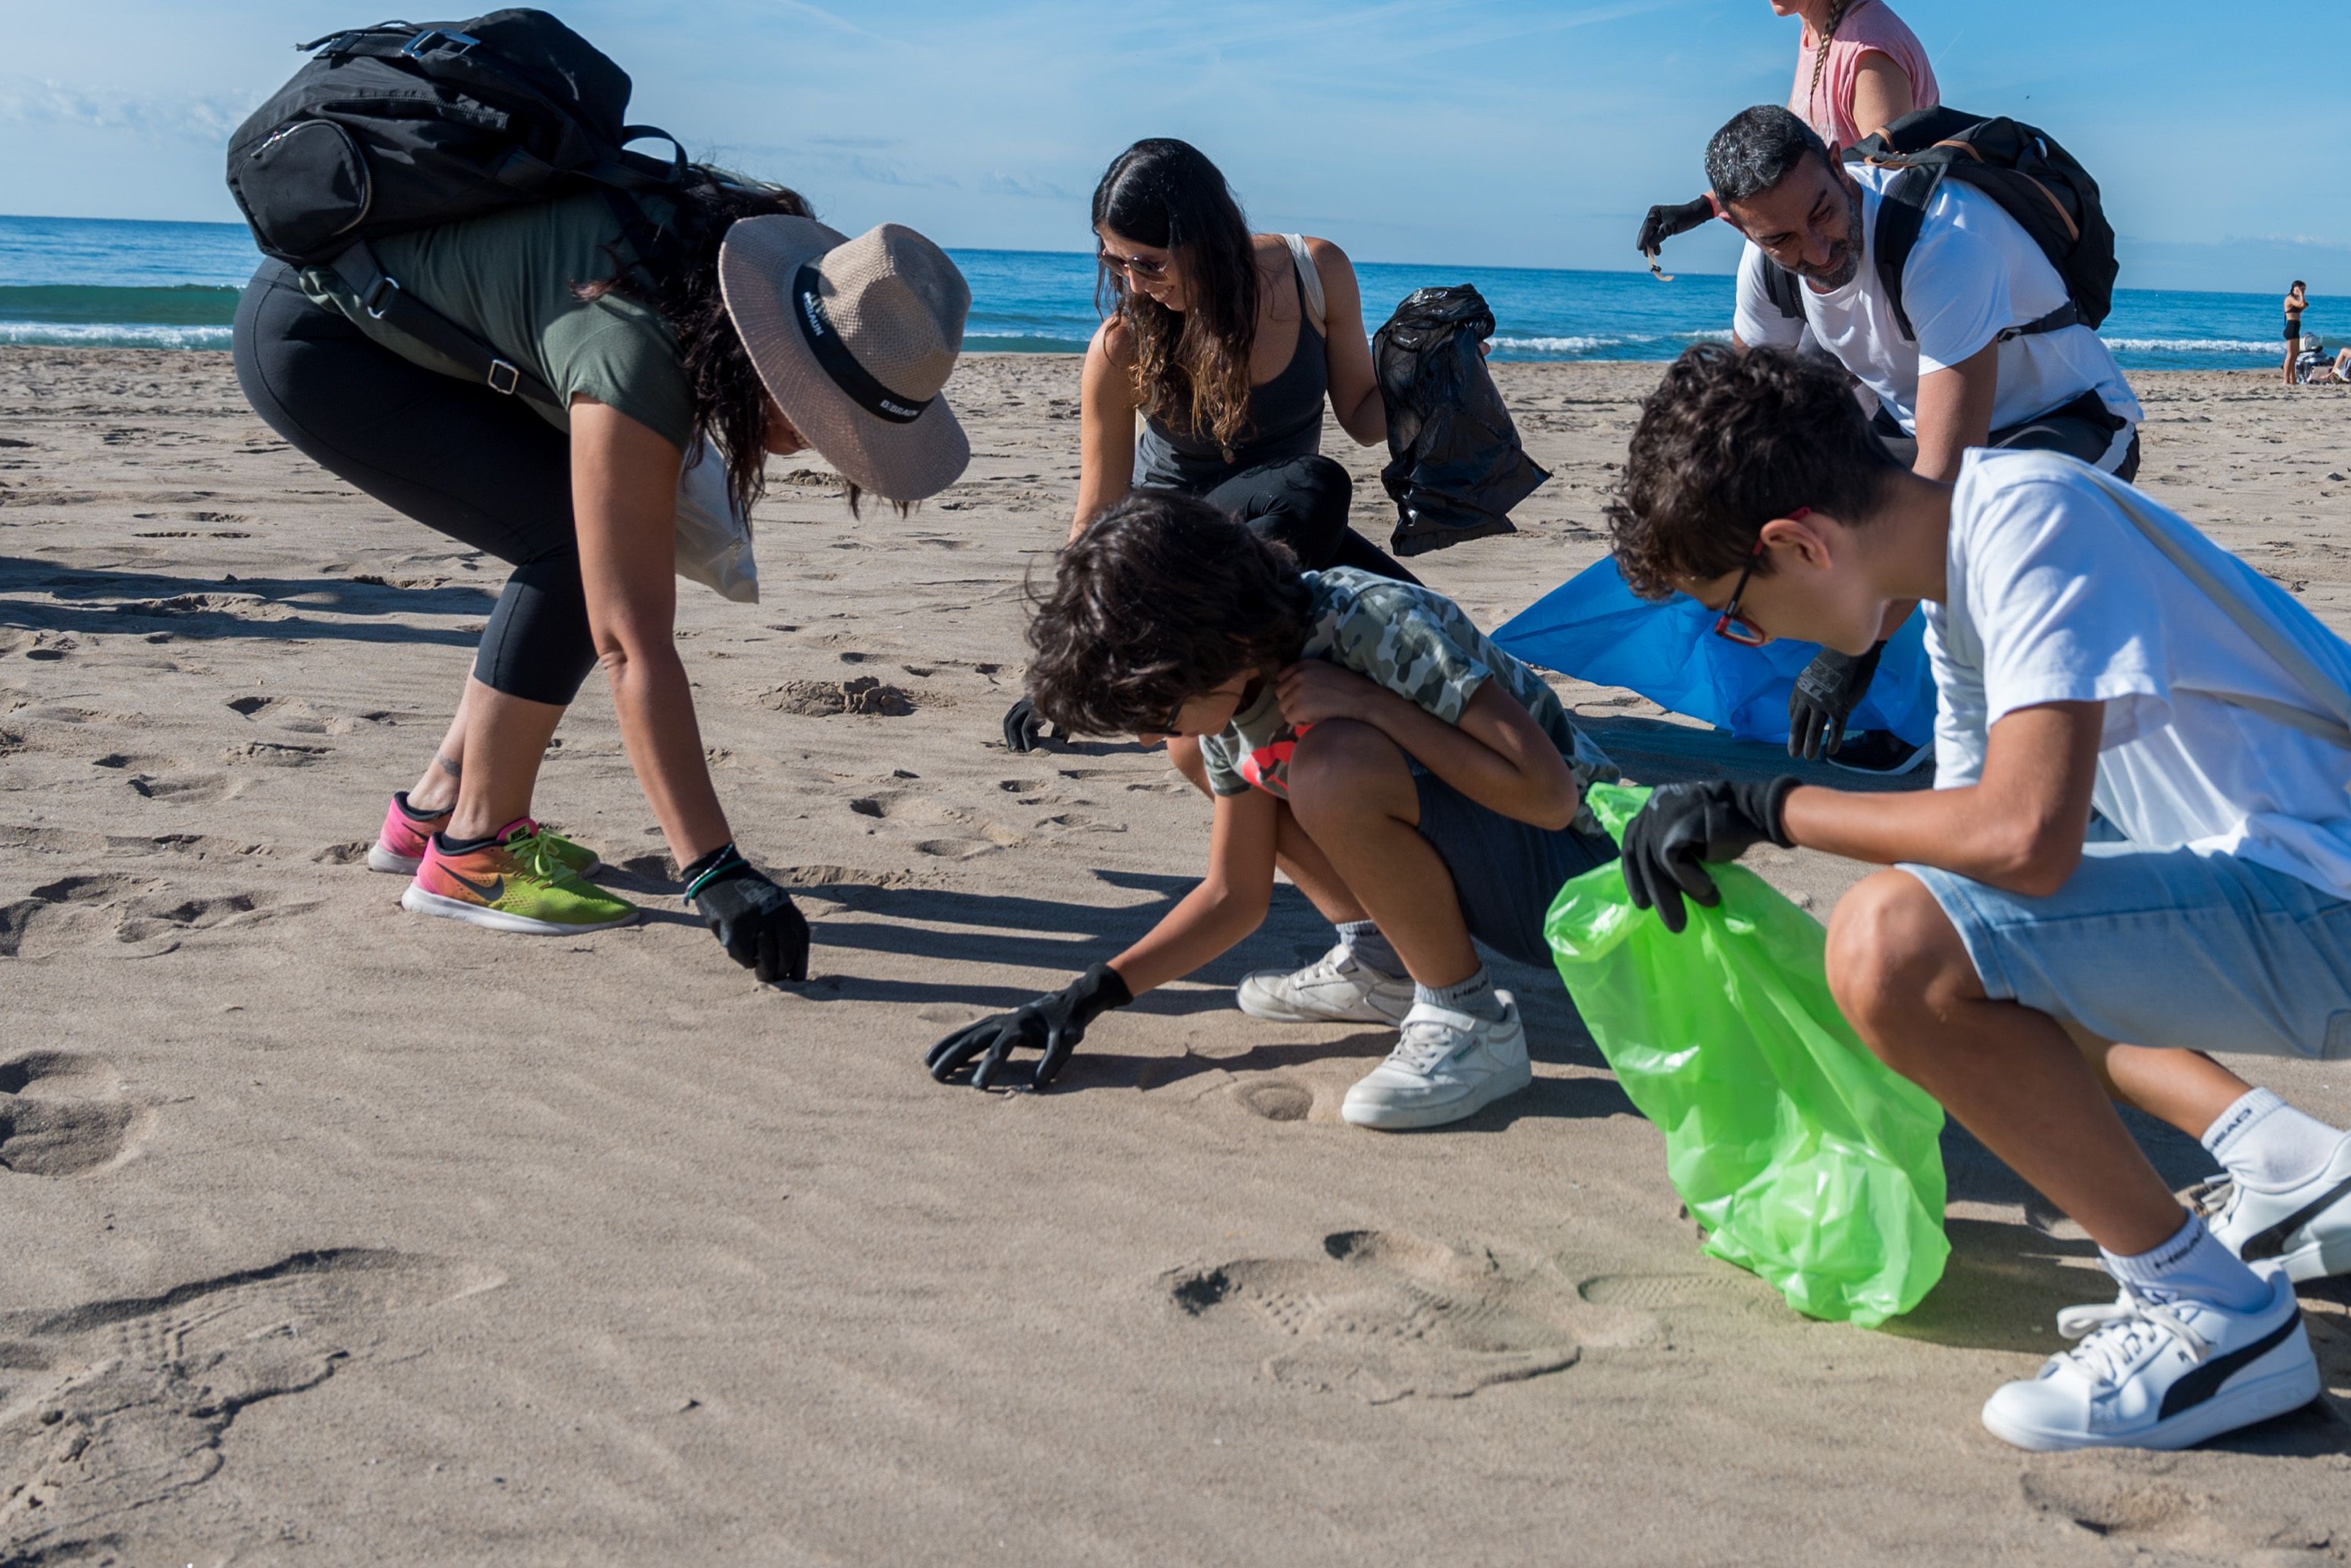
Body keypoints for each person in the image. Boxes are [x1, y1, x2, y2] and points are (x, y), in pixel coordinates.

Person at [1602, 344, 2351, 1453]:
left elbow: (2022, 840)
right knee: (1932, 942)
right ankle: (2274, 1167)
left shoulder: (2029, 518)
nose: (1752, 641)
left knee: (1889, 943)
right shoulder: (1962, 577)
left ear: (1798, 544)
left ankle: (2214, 1310)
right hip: (2311, 902)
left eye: (1734, 613)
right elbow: (1976, 878)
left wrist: (1768, 809)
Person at [232, 168, 974, 978]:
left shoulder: (703, 279)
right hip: (324, 340)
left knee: (580, 541)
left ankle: (434, 810)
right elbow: (629, 643)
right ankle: (474, 852)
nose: (831, 448)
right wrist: (714, 867)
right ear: (780, 367)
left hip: (380, 315)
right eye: (833, 422)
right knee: (574, 556)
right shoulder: (637, 349)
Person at [931, 494, 1609, 1130]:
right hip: (1504, 874)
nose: (1143, 734)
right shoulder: (1236, 687)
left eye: (1155, 709)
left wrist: (1374, 707)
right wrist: (1085, 998)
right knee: (1201, 753)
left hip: (1588, 884)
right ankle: (1383, 965)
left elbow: (1549, 799)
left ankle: (1472, 1024)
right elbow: (1234, 895)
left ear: (1215, 643)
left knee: (1327, 765)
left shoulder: (1365, 621)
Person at [1709, 101, 2145, 770]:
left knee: (1983, 531)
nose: (1817, 253)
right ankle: (1910, 715)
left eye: (1823, 213)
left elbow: (1942, 484)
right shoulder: (1765, 267)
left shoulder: (1944, 242)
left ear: (1837, 164)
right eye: (1782, 240)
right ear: (1739, 225)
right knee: (1788, 515)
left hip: (2066, 417)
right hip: (1921, 419)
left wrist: (1851, 651)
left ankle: (1977, 736)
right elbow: (1737, 424)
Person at [1000, 138, 1409, 753]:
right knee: (1315, 485)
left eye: (1150, 264)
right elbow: (1096, 518)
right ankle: (1210, 668)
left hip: (1288, 537)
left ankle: (1217, 664)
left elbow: (1364, 417)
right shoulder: (1121, 346)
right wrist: (1068, 663)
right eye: (1117, 265)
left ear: (1208, 240)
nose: (1134, 287)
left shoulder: (1315, 273)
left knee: (1438, 637)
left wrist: (1432, 378)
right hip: (1179, 563)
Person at [1631, 0, 1940, 268]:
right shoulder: (1817, 28)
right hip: (1840, 260)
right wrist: (1704, 207)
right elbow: (1792, 164)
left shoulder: (1868, 46)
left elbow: (1893, 180)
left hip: (1880, 268)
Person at [2279, 280, 2307, 385]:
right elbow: (2300, 303)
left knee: (2295, 355)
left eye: (2304, 290)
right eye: (2301, 289)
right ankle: (2285, 380)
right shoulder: (2290, 298)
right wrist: (2300, 294)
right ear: (2295, 288)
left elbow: (2300, 308)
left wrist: (2302, 306)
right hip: (2290, 328)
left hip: (2296, 327)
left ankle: (2293, 379)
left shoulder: (2295, 299)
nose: (2303, 292)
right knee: (2290, 356)